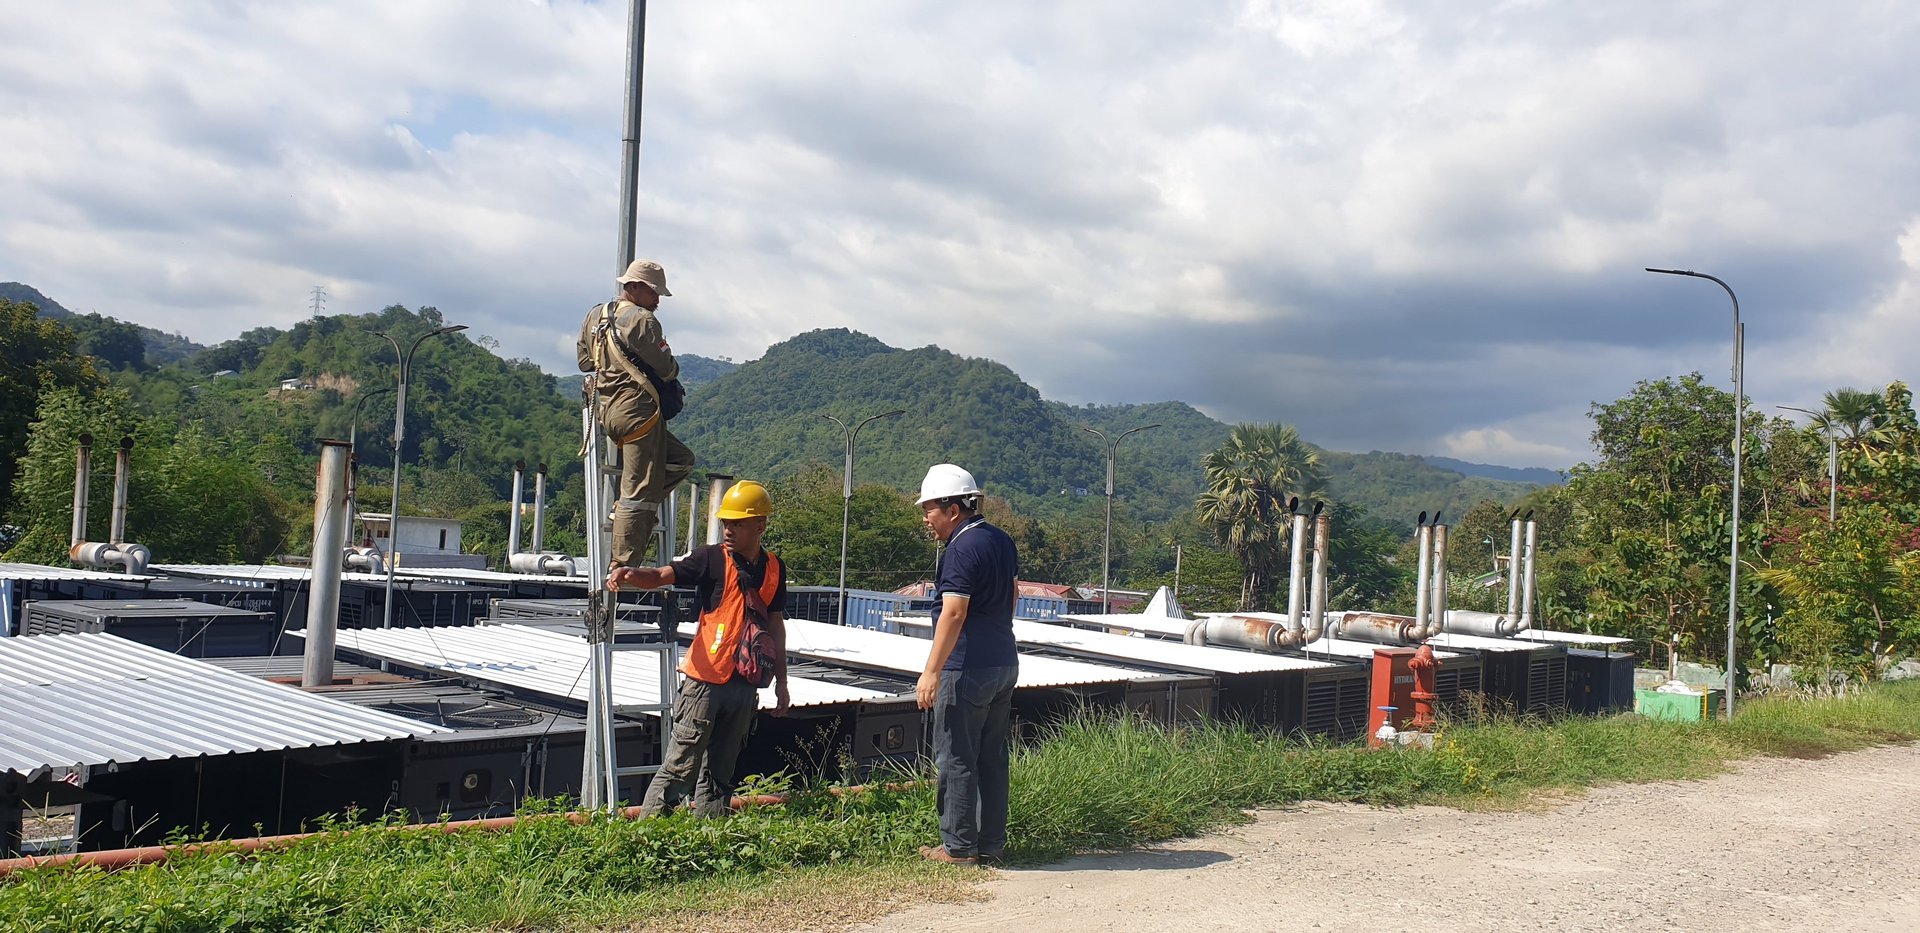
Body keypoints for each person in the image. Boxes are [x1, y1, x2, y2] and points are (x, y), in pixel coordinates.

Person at [610, 480, 791, 817]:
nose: (728, 530)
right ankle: (650, 836)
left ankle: (709, 835)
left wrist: (781, 682)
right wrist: (633, 574)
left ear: (760, 525)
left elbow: (776, 627)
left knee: (720, 775)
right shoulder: (711, 559)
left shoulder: (775, 569)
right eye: (725, 522)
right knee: (680, 768)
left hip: (745, 684)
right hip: (704, 683)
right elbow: (664, 574)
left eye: (737, 523)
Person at [913, 464, 1019, 866]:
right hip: (1004, 662)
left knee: (956, 756)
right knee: (992, 757)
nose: (926, 519)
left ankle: (958, 848)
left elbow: (953, 613)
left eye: (929, 510)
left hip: (967, 666)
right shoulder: (1000, 540)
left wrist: (932, 670)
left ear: (953, 509)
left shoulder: (960, 548)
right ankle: (991, 844)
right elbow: (1011, 595)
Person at [578, 258, 697, 570]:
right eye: (654, 292)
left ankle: (630, 514)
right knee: (638, 492)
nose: (657, 300)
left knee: (681, 460)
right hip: (639, 412)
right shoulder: (643, 320)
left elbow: (584, 362)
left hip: (608, 413)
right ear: (634, 287)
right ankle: (624, 565)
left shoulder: (595, 314)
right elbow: (666, 367)